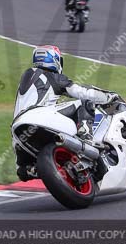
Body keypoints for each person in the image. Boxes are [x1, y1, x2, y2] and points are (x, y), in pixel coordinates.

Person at [12, 45, 118, 180]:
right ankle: (86, 136)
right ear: (54, 60)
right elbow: (82, 92)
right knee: (84, 102)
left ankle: (32, 169)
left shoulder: (26, 80)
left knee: (22, 171)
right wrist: (108, 97)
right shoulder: (51, 76)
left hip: (18, 132)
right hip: (39, 117)